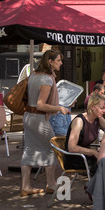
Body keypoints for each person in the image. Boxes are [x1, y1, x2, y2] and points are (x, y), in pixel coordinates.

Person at [21, 50, 70, 197]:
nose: (61, 63)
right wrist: (59, 108)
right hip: (39, 118)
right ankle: (51, 184)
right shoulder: (47, 79)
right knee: (51, 148)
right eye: (59, 60)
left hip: (28, 117)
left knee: (28, 150)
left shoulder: (34, 75)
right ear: (50, 61)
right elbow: (41, 105)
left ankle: (26, 186)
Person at [64, 94, 105, 175]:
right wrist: (93, 152)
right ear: (92, 107)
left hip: (88, 156)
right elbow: (71, 148)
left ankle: (101, 186)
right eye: (102, 108)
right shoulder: (79, 121)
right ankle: (97, 187)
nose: (104, 111)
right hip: (75, 158)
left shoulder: (98, 118)